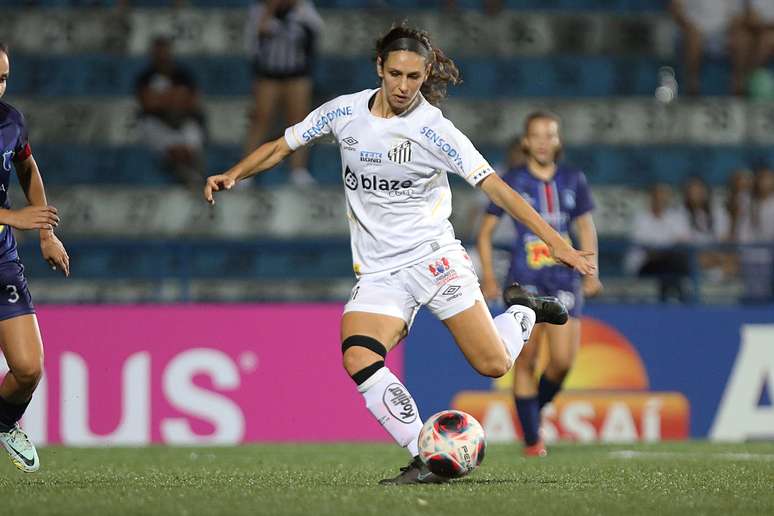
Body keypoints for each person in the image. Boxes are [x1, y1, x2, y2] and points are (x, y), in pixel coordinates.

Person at [204, 23, 595, 484]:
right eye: (395, 74)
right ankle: (425, 455)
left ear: (425, 73)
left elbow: (499, 189)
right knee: (358, 356)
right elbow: (282, 146)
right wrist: (234, 174)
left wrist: (558, 243)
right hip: (379, 271)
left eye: (413, 76)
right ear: (379, 69)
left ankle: (522, 314)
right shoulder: (344, 112)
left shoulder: (434, 130)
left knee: (493, 364)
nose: (404, 86)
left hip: (434, 258)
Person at [476, 111, 602, 457]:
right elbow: (485, 233)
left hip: (564, 278)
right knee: (527, 359)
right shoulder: (512, 180)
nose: (544, 142)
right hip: (524, 279)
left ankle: (533, 410)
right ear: (526, 141)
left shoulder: (574, 179)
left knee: (562, 361)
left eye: (551, 135)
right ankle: (533, 441)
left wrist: (592, 270)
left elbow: (585, 226)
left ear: (558, 140)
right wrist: (487, 274)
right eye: (537, 135)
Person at [0, 43, 69, 473]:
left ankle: (5, 421)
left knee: (28, 369)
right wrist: (12, 216)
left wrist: (45, 231)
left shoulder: (11, 122)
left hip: (0, 256)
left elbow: (27, 169)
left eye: (3, 78)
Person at [244, 0, 323, 186]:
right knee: (260, 121)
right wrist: (270, 12)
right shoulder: (258, 11)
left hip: (297, 74)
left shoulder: (304, 10)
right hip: (268, 75)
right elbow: (253, 42)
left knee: (300, 122)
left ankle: (298, 170)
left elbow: (316, 36)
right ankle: (246, 173)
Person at [135, 35, 206, 191]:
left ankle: (195, 177)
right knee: (171, 149)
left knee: (191, 140)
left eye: (164, 52)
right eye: (158, 52)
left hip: (182, 122)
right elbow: (147, 104)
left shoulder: (183, 75)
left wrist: (161, 99)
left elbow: (192, 102)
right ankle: (187, 178)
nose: (162, 56)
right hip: (157, 125)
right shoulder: (145, 77)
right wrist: (174, 97)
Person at [626, 183, 692, 302]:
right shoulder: (641, 218)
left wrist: (665, 249)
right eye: (657, 196)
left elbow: (683, 242)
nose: (660, 199)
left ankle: (674, 298)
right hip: (645, 264)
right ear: (651, 197)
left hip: (670, 262)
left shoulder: (676, 217)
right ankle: (676, 298)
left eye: (664, 196)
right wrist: (666, 248)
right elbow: (646, 249)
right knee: (672, 262)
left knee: (677, 260)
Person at [669, 0, 750, 95]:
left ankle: (738, 83)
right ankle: (691, 83)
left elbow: (740, 14)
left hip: (724, 32)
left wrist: (733, 28)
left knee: (742, 38)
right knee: (694, 38)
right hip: (693, 29)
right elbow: (676, 9)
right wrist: (688, 26)